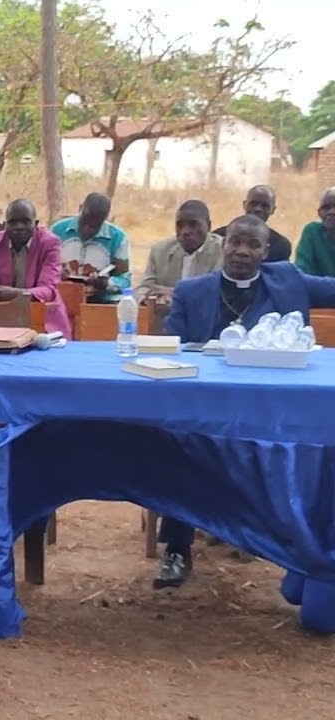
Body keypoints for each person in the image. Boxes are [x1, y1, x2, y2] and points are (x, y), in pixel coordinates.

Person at [159, 213, 335, 588]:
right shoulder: (192, 291)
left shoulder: (287, 280)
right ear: (224, 245)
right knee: (175, 445)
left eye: (252, 244)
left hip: (274, 413)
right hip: (204, 409)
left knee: (315, 453)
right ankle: (177, 548)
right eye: (235, 242)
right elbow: (170, 351)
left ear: (265, 251)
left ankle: (303, 556)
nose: (241, 251)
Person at [0, 199, 73, 338]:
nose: (19, 227)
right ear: (4, 225)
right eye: (12, 222)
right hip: (6, 318)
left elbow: (48, 291)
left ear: (36, 224)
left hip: (45, 322)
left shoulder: (50, 243)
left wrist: (16, 294)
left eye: (26, 222)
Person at [134, 200, 223, 304]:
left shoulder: (223, 251)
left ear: (208, 226)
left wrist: (177, 294)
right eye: (180, 225)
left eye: (193, 225)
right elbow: (141, 289)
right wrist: (152, 298)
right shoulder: (160, 251)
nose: (185, 231)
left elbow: (220, 294)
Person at [51, 192, 131, 303]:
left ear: (105, 218)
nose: (87, 228)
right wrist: (56, 273)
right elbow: (42, 265)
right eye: (83, 221)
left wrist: (106, 283)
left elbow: (125, 280)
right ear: (80, 208)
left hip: (99, 301)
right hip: (60, 297)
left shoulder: (118, 238)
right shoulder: (57, 230)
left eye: (95, 226)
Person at [211, 184, 291, 263]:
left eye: (265, 206)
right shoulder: (219, 235)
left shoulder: (281, 245)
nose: (258, 209)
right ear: (244, 204)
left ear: (273, 210)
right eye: (253, 203)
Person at [294, 187, 335, 277]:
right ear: (319, 213)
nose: (332, 212)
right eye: (326, 208)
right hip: (318, 289)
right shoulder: (312, 231)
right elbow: (302, 270)